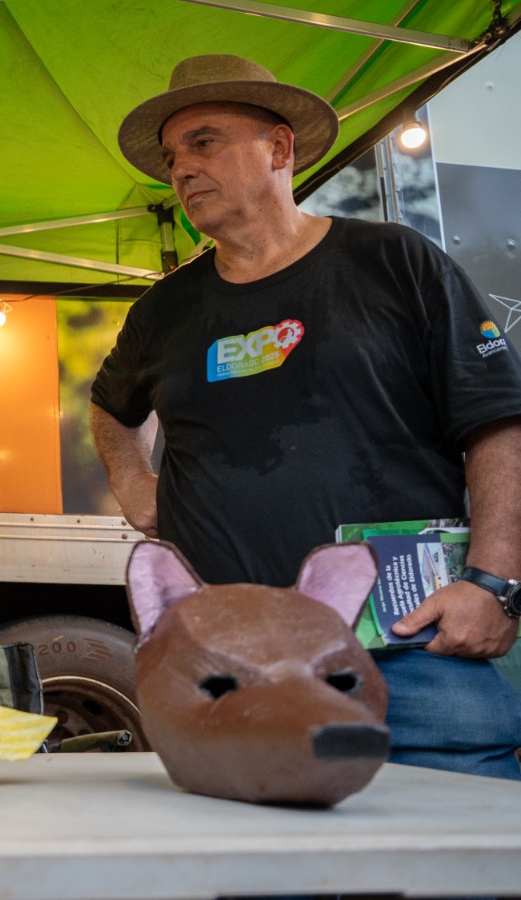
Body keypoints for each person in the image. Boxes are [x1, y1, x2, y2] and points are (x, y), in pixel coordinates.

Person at [91, 55, 521, 778]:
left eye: (204, 142)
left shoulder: (394, 263)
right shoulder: (164, 310)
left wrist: (493, 584)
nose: (182, 170)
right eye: (171, 158)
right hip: (231, 666)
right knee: (262, 882)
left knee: (461, 865)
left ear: (280, 149)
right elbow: (109, 409)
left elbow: (498, 422)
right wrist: (134, 482)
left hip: (405, 647)